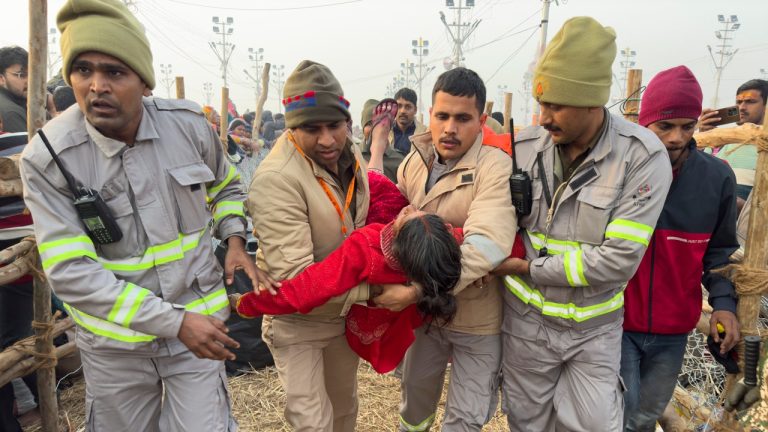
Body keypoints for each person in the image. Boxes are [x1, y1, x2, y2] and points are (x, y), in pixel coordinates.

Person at [19, 0, 274, 430]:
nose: (96, 86)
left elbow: (226, 186)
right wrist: (174, 322)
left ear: (145, 82)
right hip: (115, 347)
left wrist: (234, 240)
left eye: (114, 73)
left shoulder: (189, 126)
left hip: (198, 331)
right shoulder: (48, 158)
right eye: (83, 70)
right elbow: (71, 273)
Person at [493, 17, 672, 431]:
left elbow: (618, 260)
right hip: (525, 325)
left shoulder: (640, 158)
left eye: (556, 105)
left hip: (593, 332)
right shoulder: (524, 149)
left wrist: (527, 269)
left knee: (593, 425)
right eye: (541, 103)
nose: (544, 116)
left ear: (593, 102)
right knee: (525, 422)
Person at [248, 60, 372, 432]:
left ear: (346, 122)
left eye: (334, 125)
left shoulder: (350, 155)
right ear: (291, 128)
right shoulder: (277, 179)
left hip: (341, 315)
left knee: (344, 413)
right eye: (310, 129)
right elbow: (298, 281)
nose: (327, 140)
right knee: (312, 423)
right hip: (298, 322)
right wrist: (376, 291)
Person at [393, 67, 516, 431]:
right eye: (442, 116)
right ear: (429, 114)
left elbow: (487, 245)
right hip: (424, 319)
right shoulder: (414, 160)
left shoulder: (494, 168)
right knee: (414, 406)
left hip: (477, 319)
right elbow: (392, 220)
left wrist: (416, 287)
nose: (450, 128)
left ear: (480, 121)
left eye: (462, 118)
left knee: (465, 417)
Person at [620, 65, 741, 431]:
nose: (676, 138)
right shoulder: (620, 171)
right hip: (615, 323)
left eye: (687, 126)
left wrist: (723, 304)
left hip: (673, 330)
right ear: (644, 124)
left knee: (644, 416)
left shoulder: (716, 178)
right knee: (613, 415)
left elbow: (719, 252)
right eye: (665, 126)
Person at [698, 79, 768, 211]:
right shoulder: (718, 142)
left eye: (750, 102)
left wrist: (738, 206)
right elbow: (697, 175)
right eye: (739, 102)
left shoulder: (765, 146)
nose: (741, 107)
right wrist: (701, 137)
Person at [0, 46, 28, 133]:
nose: (29, 80)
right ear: (1, 79)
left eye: (33, 74)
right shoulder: (11, 113)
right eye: (22, 75)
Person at [391, 87, 426, 155]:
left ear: (415, 110)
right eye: (399, 106)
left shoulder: (424, 133)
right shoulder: (386, 131)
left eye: (408, 107)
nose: (403, 111)